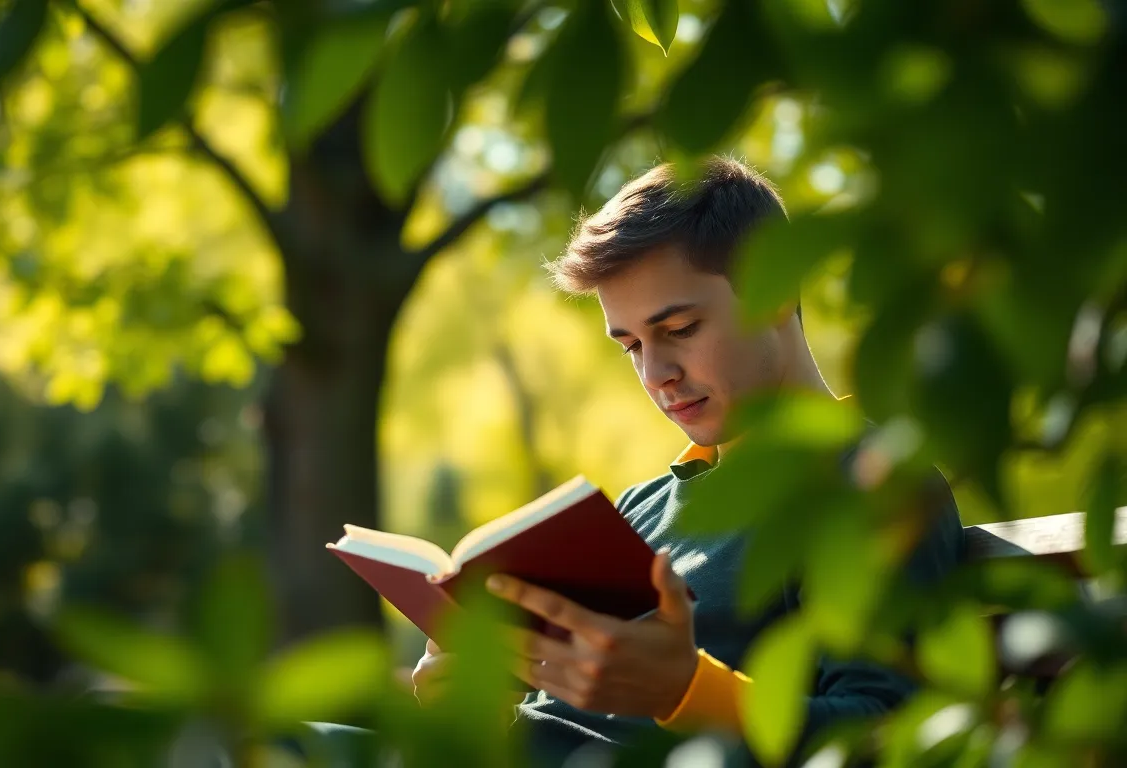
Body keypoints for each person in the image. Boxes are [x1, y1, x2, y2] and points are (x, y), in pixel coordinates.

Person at [409, 157, 965, 766]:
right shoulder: (635, 510)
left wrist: (688, 692)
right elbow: (563, 715)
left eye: (679, 327)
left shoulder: (872, 487)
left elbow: (882, 738)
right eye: (631, 347)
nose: (656, 375)